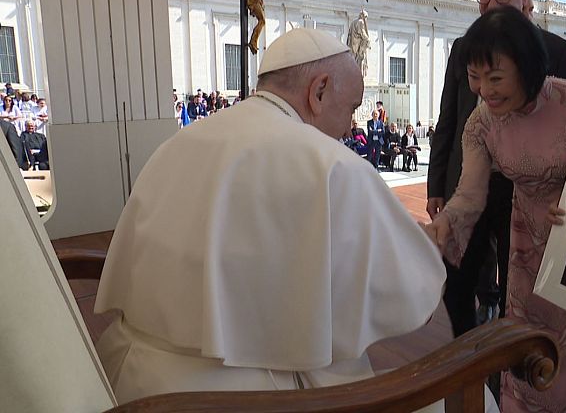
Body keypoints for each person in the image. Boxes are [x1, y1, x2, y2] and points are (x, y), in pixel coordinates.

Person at [93, 27, 447, 404]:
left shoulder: (177, 144)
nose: (348, 127)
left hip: (130, 384)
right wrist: (426, 249)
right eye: (351, 108)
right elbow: (412, 301)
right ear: (320, 90)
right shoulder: (331, 165)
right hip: (254, 398)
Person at [424, 6, 566, 412]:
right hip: (524, 245)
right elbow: (470, 196)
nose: (485, 90)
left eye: (495, 78)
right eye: (475, 78)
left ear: (526, 66)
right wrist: (444, 225)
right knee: (525, 352)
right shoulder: (481, 124)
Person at [427, 0, 566, 339]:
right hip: (470, 180)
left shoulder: (558, 54)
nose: (491, 4)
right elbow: (449, 120)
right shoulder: (464, 51)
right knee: (456, 279)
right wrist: (436, 186)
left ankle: (509, 356)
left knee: (521, 285)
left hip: (528, 193)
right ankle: (468, 353)